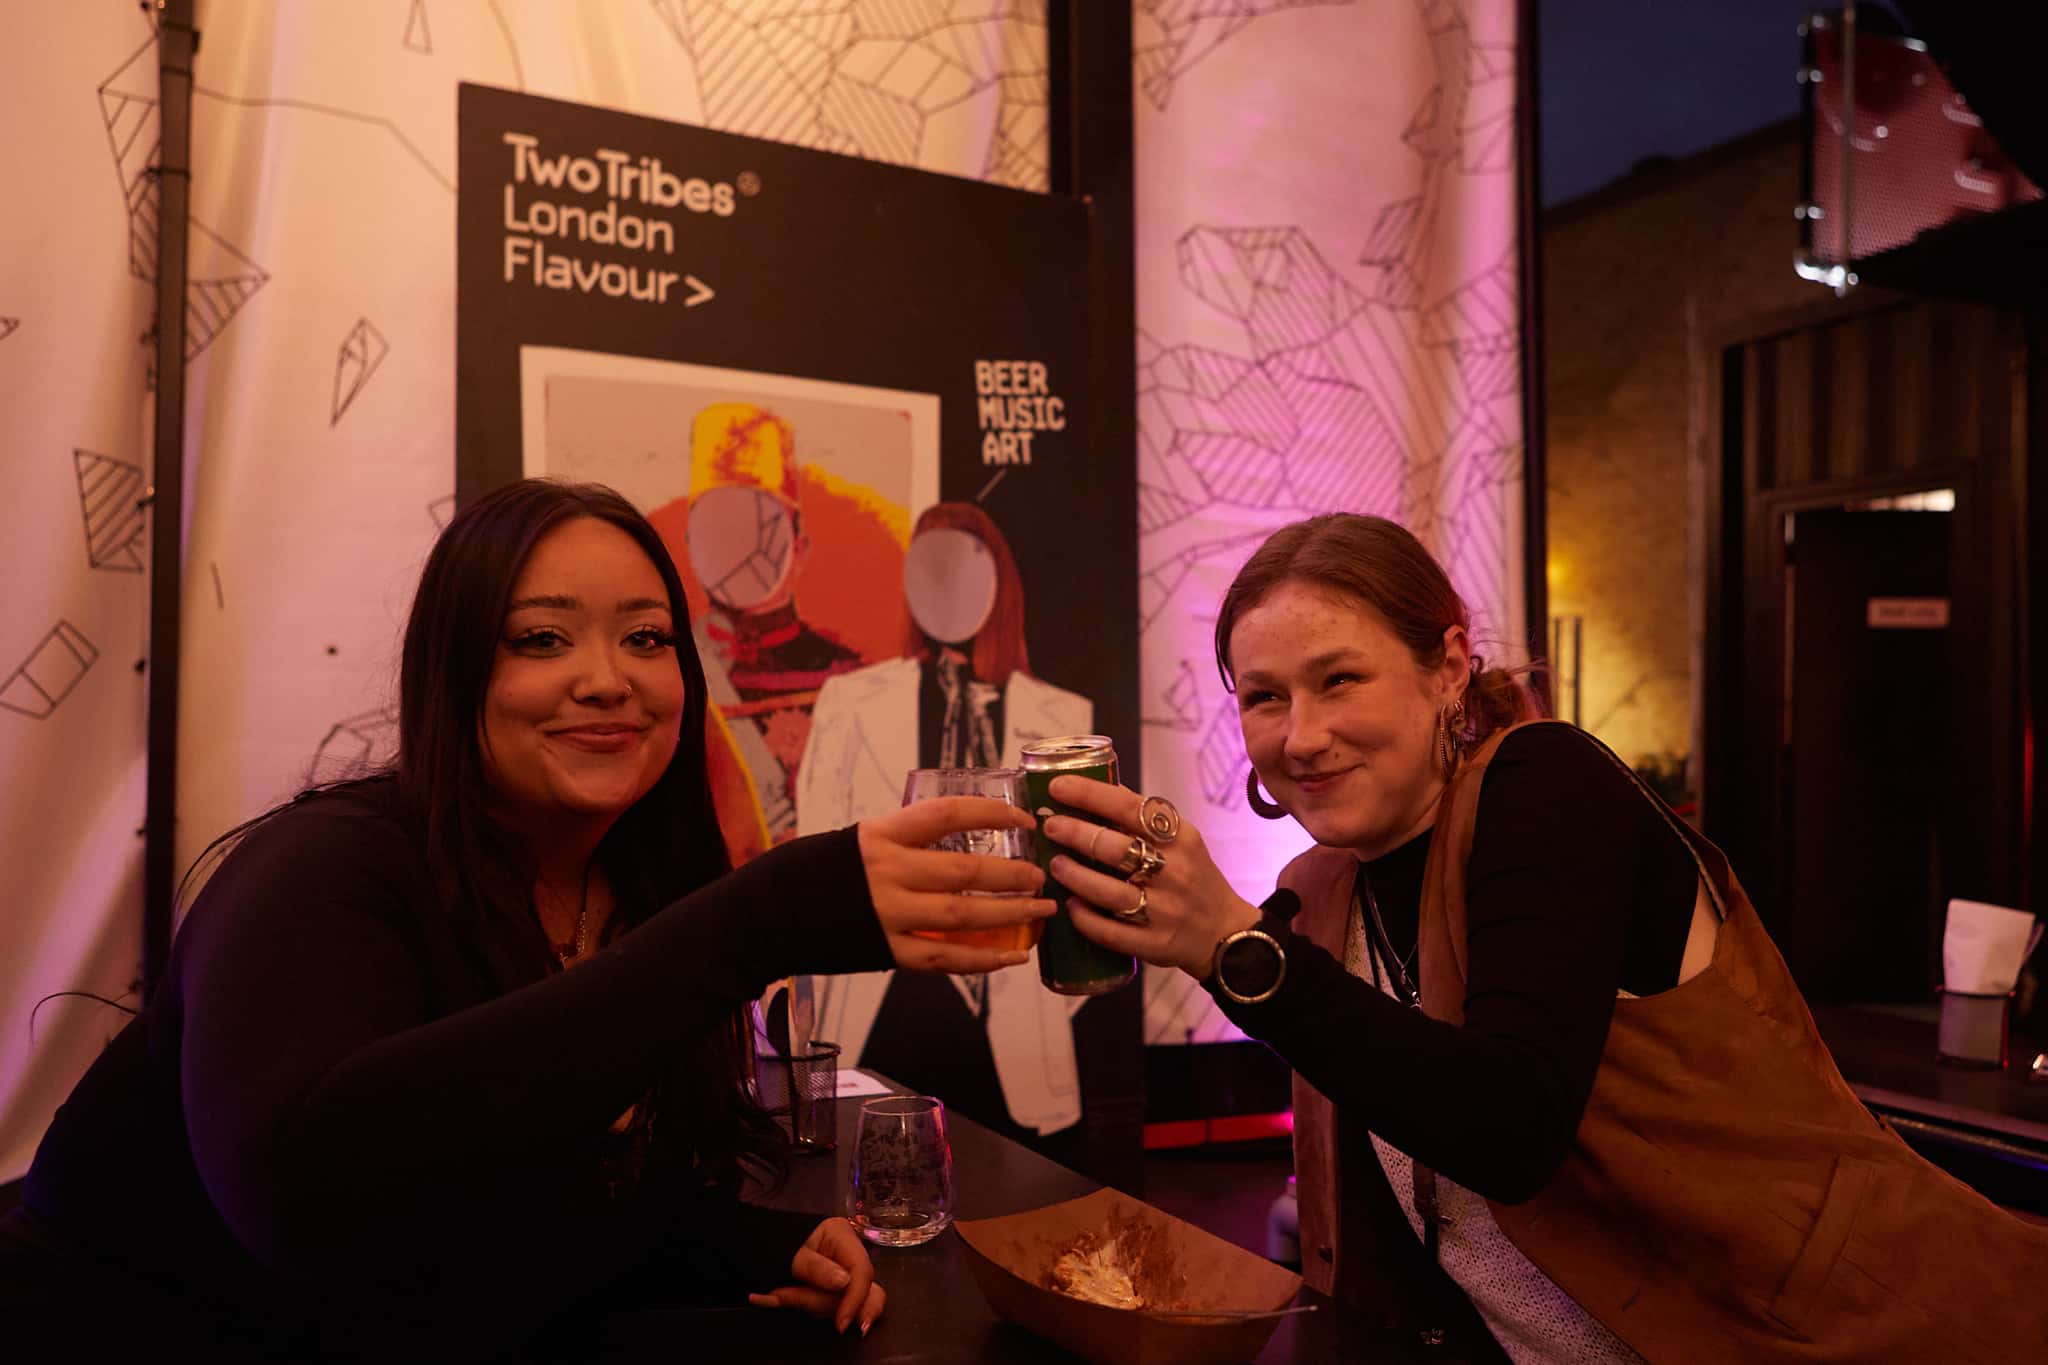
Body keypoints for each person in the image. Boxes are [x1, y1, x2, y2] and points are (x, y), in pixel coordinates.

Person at [0, 480, 1051, 1362]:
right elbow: (306, 1197)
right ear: (455, 673)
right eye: (541, 639)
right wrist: (760, 919)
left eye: (646, 638)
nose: (607, 680)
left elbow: (544, 1189)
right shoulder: (320, 870)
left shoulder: (631, 888)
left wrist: (753, 1247)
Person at [1036, 512, 2048, 1362]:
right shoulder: (1319, 892)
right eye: (1265, 696)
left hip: (1856, 1330)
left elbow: (1507, 1126)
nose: (1300, 735)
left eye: (1338, 679)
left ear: (1446, 666)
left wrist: (1231, 948)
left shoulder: (1544, 784)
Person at [799, 501, 1092, 1142]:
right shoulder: (851, 702)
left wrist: (1046, 1002)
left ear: (999, 583)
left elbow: (1076, 872)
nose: (946, 586)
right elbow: (815, 856)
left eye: (964, 567)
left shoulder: (1064, 714)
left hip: (1014, 1009)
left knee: (1022, 1178)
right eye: (929, 569)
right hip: (884, 993)